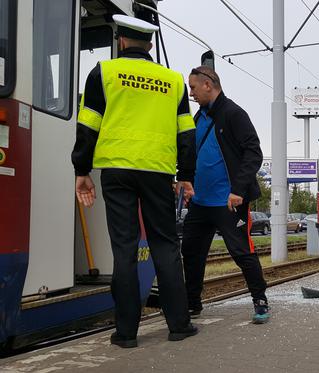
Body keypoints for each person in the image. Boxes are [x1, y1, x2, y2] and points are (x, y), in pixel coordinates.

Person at [71, 14, 198, 348]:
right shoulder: (173, 81)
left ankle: (126, 333)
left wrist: (81, 171)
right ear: (151, 45)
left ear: (122, 42)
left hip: (116, 172)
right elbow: (187, 132)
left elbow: (88, 127)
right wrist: (185, 176)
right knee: (166, 246)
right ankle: (179, 325)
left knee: (124, 249)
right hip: (158, 172)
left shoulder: (104, 73)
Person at [181, 66, 270, 324]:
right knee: (191, 252)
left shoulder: (233, 114)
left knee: (241, 251)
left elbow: (254, 152)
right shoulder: (199, 117)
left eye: (194, 88)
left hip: (228, 202)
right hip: (199, 202)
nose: (191, 93)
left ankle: (260, 301)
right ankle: (192, 304)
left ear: (208, 85)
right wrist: (183, 180)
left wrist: (238, 190)